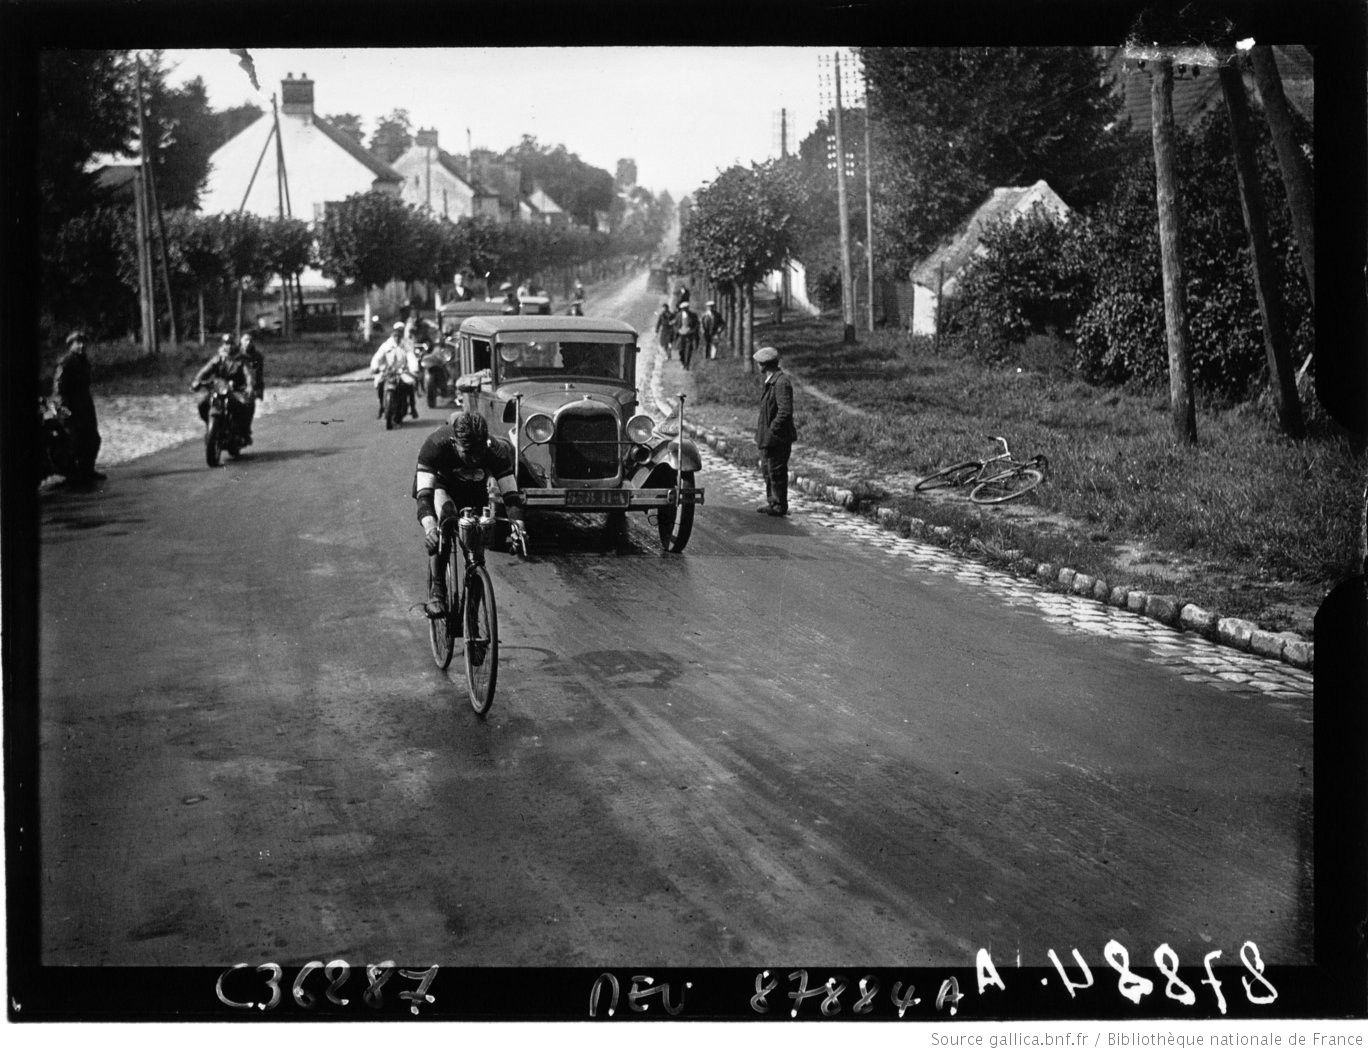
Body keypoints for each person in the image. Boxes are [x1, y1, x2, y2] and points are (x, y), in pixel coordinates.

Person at [414, 411, 523, 617]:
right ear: (455, 443)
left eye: (479, 453)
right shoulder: (435, 445)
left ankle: (472, 617)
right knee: (446, 517)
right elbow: (424, 498)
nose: (474, 459)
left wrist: (518, 528)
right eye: (468, 452)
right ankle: (438, 590)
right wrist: (430, 528)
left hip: (473, 487)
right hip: (441, 485)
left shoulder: (495, 450)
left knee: (476, 545)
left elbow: (512, 496)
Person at [52, 330, 104, 482]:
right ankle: (73, 475)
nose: (81, 346)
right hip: (71, 406)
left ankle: (87, 470)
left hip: (85, 404)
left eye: (83, 343)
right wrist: (63, 410)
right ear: (71, 345)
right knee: (75, 441)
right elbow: (58, 388)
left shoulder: (83, 361)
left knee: (93, 439)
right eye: (77, 343)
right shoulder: (66, 362)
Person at [753, 345, 796, 517]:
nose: (757, 366)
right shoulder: (771, 380)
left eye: (759, 363)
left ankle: (779, 504)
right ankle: (773, 501)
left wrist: (772, 430)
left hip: (778, 437)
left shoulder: (781, 382)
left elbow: (785, 411)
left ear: (765, 364)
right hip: (768, 436)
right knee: (767, 470)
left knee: (777, 471)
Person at [192, 334, 255, 440]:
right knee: (202, 404)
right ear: (222, 345)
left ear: (235, 345)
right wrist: (197, 381)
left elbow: (248, 374)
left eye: (231, 343)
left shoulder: (240, 360)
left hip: (236, 390)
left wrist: (249, 386)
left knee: (247, 403)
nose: (229, 346)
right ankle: (210, 425)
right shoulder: (218, 358)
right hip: (219, 389)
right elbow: (205, 370)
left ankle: (244, 430)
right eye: (226, 343)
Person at [370, 322, 417, 418]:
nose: (397, 336)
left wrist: (414, 368)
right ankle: (381, 406)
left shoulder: (405, 345)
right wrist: (375, 367)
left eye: (399, 332)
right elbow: (377, 357)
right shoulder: (386, 345)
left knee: (409, 386)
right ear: (393, 333)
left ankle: (412, 408)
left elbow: (411, 357)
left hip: (401, 371)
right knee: (380, 384)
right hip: (388, 372)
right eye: (395, 333)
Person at [237, 332, 264, 444]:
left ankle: (246, 430)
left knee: (250, 405)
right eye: (245, 340)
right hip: (235, 384)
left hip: (249, 386)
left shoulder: (257, 356)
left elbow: (258, 375)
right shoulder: (235, 354)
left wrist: (258, 390)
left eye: (250, 340)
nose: (248, 343)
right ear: (240, 342)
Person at [674, 300, 699, 370]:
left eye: (687, 308)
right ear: (682, 309)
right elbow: (675, 325)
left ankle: (687, 364)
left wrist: (692, 331)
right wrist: (678, 330)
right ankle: (683, 362)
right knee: (681, 350)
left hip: (689, 335)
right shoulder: (678, 315)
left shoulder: (693, 315)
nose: (685, 309)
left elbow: (696, 325)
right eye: (684, 308)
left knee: (688, 350)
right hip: (681, 335)